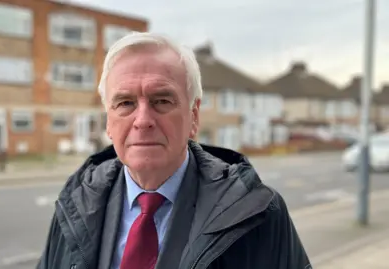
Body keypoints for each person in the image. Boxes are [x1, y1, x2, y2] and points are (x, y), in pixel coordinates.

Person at [36, 32, 311, 269]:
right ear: (109, 121)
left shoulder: (258, 213)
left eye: (162, 100)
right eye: (125, 103)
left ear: (194, 116)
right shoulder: (74, 204)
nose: (143, 120)